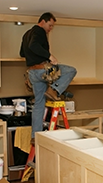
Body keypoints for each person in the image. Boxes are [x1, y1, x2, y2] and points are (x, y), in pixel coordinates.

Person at [20, 12, 77, 144]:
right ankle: (54, 90)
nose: (50, 28)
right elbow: (33, 46)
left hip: (32, 73)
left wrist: (33, 57)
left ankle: (35, 136)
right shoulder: (39, 31)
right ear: (43, 21)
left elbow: (22, 52)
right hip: (43, 70)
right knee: (71, 70)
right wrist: (50, 57)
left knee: (39, 104)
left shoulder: (26, 34)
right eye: (50, 25)